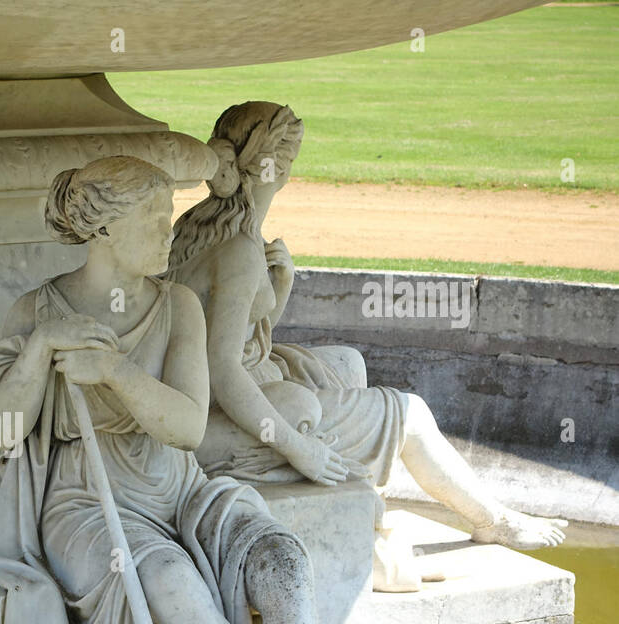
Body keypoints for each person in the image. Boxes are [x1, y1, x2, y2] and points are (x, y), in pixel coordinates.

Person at [0, 156, 364, 624]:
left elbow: (187, 425)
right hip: (87, 504)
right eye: (152, 218)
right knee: (172, 580)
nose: (169, 231)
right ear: (105, 231)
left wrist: (113, 370)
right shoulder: (37, 310)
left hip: (181, 490)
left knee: (281, 561)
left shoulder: (178, 305)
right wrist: (39, 351)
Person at [167, 101, 567, 553]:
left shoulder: (199, 224)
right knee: (411, 415)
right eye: (291, 160)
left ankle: (363, 503)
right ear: (275, 168)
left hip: (226, 388)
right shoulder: (238, 249)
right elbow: (224, 368)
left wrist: (282, 283)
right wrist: (296, 447)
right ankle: (493, 521)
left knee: (347, 361)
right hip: (225, 411)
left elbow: (246, 338)